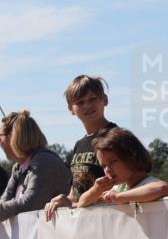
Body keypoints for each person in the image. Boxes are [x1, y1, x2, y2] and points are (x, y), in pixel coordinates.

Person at [0, 110, 71, 225]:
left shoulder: (43, 161)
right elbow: (4, 203)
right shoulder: (18, 168)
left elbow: (29, 204)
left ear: (12, 137)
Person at [45, 75, 117, 219]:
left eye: (93, 99)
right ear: (71, 109)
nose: (87, 106)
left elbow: (125, 186)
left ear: (105, 100)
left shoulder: (116, 137)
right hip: (84, 224)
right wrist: (63, 201)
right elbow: (76, 192)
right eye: (80, 102)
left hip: (111, 220)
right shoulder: (79, 145)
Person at [76, 127, 168, 208]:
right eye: (104, 166)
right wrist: (95, 190)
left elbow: (163, 188)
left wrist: (119, 198)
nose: (107, 170)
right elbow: (82, 203)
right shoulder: (119, 188)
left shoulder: (147, 183)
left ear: (131, 156)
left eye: (113, 162)